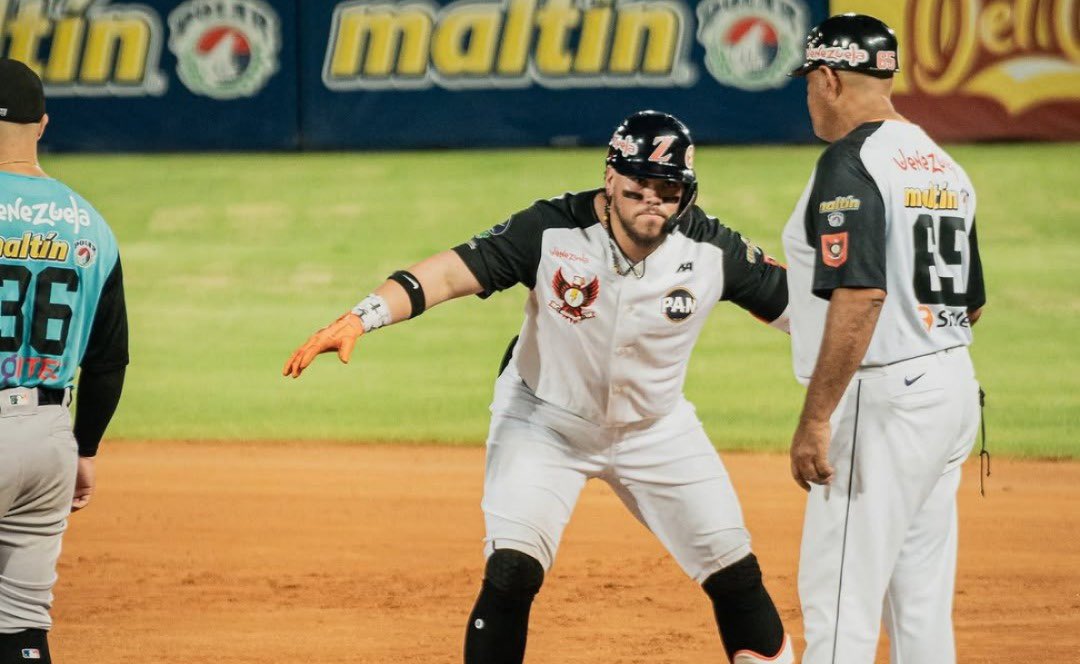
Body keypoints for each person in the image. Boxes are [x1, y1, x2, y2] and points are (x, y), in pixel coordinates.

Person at [284, 110, 796, 663]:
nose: (653, 201)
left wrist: (888, 314)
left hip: (656, 430)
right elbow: (452, 272)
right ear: (610, 178)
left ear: (687, 193)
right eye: (638, 186)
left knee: (736, 575)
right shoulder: (552, 229)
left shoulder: (713, 250)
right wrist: (363, 316)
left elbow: (810, 309)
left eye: (669, 190)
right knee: (511, 571)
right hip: (543, 423)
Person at [780, 14, 986, 663]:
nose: (809, 96)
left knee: (839, 591)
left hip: (884, 396)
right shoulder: (942, 164)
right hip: (949, 386)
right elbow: (970, 304)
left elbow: (861, 294)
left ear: (829, 78)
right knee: (918, 598)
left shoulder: (851, 162)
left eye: (809, 82)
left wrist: (817, 418)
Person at [0, 59, 129, 664]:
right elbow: (108, 360)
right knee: (23, 628)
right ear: (42, 124)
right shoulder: (91, 225)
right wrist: (86, 448)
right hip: (49, 441)